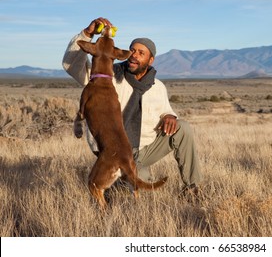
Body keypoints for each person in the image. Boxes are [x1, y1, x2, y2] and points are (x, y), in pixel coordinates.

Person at [62, 17, 202, 198]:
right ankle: (117, 181)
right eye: (132, 50)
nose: (134, 55)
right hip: (111, 150)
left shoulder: (157, 86)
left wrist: (170, 116)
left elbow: (166, 110)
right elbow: (70, 65)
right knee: (139, 194)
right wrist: (87, 34)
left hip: (143, 150)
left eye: (140, 53)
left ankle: (193, 188)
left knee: (183, 128)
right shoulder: (105, 77)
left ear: (150, 60)